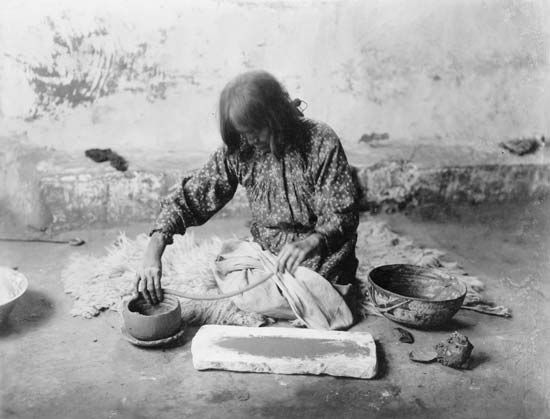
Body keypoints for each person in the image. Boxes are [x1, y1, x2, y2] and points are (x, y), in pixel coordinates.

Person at [135, 70, 359, 319]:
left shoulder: (319, 141)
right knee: (232, 272)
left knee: (322, 290)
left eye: (256, 130)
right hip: (267, 254)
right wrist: (153, 250)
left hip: (320, 256)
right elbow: (194, 196)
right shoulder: (242, 149)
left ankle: (306, 297)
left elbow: (342, 213)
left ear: (276, 117)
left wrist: (312, 241)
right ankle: (291, 299)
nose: (250, 139)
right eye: (243, 132)